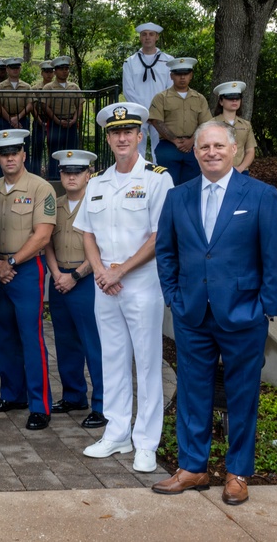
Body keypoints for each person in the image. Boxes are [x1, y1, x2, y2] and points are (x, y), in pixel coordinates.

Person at [153, 120, 277, 505]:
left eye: (218, 146)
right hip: (192, 313)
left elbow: (276, 254)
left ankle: (237, 473)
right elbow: (166, 251)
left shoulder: (261, 195)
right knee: (193, 393)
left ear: (233, 149)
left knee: (242, 395)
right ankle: (193, 468)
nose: (211, 152)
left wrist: (267, 306)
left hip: (244, 313)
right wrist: (173, 297)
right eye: (203, 147)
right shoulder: (178, 197)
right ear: (195, 153)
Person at [73, 102, 173, 473]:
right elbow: (87, 233)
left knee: (147, 363)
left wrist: (120, 271)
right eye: (115, 133)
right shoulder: (97, 183)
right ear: (109, 138)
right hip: (105, 285)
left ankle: (146, 442)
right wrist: (100, 271)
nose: (121, 138)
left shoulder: (157, 178)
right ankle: (117, 433)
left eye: (128, 131)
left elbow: (158, 236)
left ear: (140, 135)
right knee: (112, 359)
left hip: (142, 285)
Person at [0, 129, 56, 430]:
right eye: (3, 153)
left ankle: (40, 405)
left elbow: (43, 235)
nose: (9, 157)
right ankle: (12, 395)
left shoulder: (41, 188)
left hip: (26, 269)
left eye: (15, 152)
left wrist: (10, 262)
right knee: (3, 335)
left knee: (31, 337)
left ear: (24, 154)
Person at [45, 149, 106, 429]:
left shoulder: (98, 203)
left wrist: (75, 275)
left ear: (88, 174)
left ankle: (102, 404)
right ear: (60, 175)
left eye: (77, 172)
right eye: (66, 172)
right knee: (65, 341)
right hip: (58, 280)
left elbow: (103, 248)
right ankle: (73, 395)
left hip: (87, 281)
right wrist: (57, 273)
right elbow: (46, 242)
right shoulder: (53, 205)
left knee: (94, 345)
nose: (71, 176)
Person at [149, 57, 211, 185]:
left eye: (186, 73)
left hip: (193, 147)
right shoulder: (161, 98)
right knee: (168, 185)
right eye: (178, 74)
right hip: (168, 147)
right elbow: (156, 121)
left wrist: (191, 141)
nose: (182, 77)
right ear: (171, 76)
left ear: (191, 75)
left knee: (192, 185)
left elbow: (206, 124)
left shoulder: (199, 98)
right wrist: (175, 141)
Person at [122, 22, 174, 162]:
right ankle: (138, 177)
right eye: (144, 34)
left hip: (162, 112)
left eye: (151, 34)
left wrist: (158, 110)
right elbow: (128, 90)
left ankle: (160, 177)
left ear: (157, 37)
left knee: (161, 148)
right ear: (140, 37)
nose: (147, 37)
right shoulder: (130, 62)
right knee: (137, 148)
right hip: (138, 112)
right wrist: (144, 111)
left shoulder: (169, 61)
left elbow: (171, 88)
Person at [0, 59, 31, 178]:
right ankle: (0, 177)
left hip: (21, 120)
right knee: (3, 149)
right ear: (7, 69)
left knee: (22, 149)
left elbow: (30, 104)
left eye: (17, 68)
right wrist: (11, 119)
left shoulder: (26, 87)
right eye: (12, 68)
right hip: (5, 120)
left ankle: (24, 176)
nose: (15, 70)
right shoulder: (1, 86)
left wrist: (18, 118)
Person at [42, 56, 84, 179]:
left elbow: (80, 105)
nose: (64, 71)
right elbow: (45, 106)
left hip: (71, 122)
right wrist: (56, 120)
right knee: (55, 153)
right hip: (55, 123)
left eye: (66, 68)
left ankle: (72, 176)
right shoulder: (48, 88)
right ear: (55, 71)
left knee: (72, 151)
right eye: (61, 69)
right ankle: (54, 178)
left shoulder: (74, 87)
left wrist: (74, 119)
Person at [211, 81, 257, 175]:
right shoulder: (211, 124)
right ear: (221, 101)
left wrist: (240, 168)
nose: (234, 101)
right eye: (230, 98)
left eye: (237, 98)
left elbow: (250, 150)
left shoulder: (246, 125)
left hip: (241, 172)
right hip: (217, 171)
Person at [29, 60, 55, 175]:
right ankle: (35, 173)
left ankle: (53, 173)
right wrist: (39, 120)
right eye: (46, 72)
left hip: (54, 121)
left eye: (51, 71)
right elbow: (32, 106)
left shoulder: (56, 88)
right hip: (39, 119)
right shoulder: (35, 89)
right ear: (42, 73)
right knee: (37, 148)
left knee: (54, 148)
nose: (49, 74)